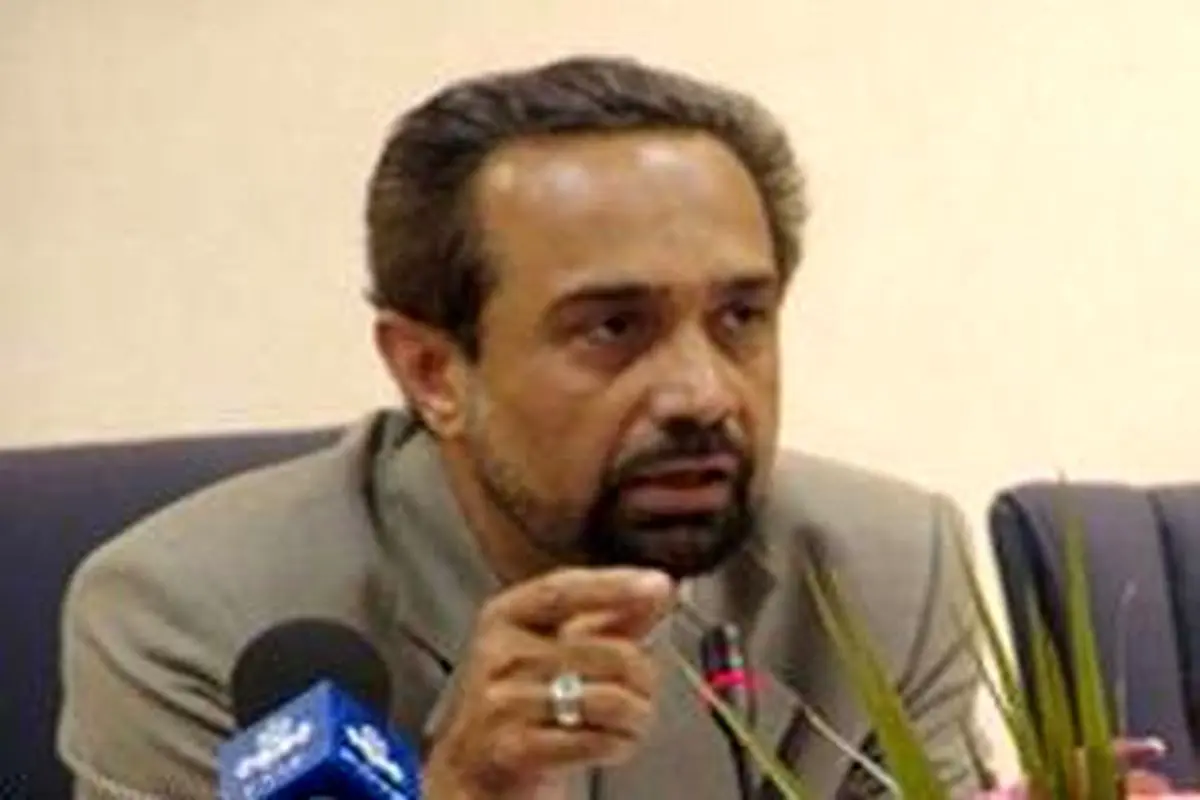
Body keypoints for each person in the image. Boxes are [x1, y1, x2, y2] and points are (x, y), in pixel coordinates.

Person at [57, 55, 982, 799]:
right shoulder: (189, 620)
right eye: (613, 327)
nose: (702, 393)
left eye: (741, 317)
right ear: (432, 373)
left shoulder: (889, 575)